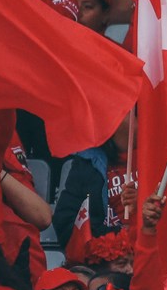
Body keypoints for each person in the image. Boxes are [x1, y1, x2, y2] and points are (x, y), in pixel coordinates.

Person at [52, 114, 135, 266]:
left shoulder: (162, 161)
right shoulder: (87, 162)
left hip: (150, 260)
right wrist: (112, 241)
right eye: (134, 114)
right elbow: (65, 222)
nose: (141, 119)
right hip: (102, 267)